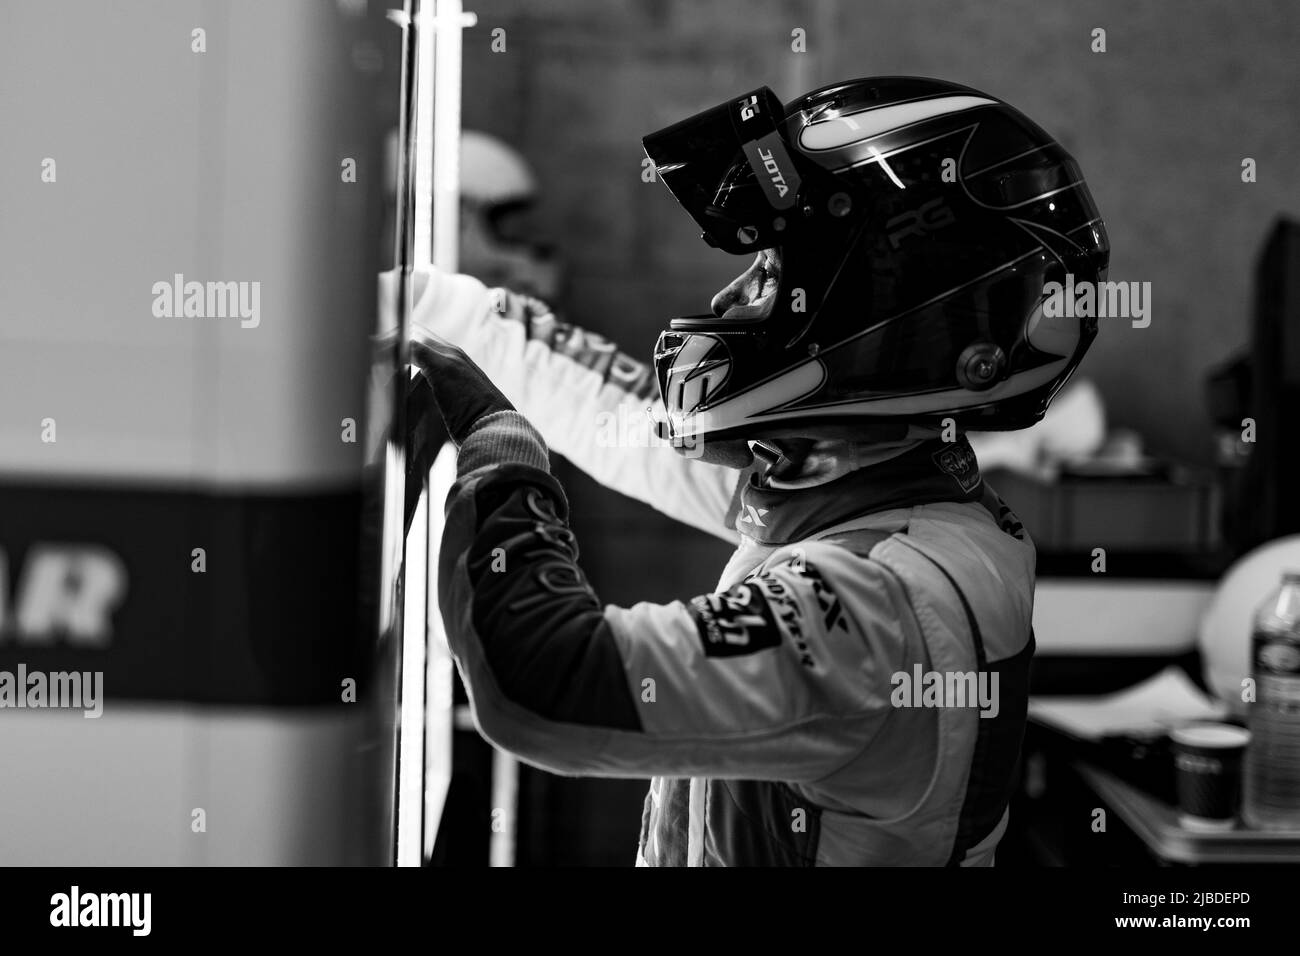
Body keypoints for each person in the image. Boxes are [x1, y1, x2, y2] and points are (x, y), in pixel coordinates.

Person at [404, 76, 1109, 866]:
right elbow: (626, 424)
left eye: (774, 270)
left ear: (888, 314)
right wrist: (428, 308)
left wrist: (499, 449)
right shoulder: (887, 493)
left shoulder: (884, 603)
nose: (733, 294)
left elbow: (544, 682)